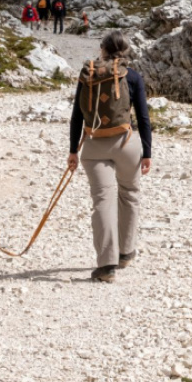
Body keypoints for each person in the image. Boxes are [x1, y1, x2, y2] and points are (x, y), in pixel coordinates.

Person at [67, 31, 153, 283]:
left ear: (103, 49)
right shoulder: (133, 76)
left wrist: (73, 150)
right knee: (129, 194)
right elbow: (144, 118)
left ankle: (106, 267)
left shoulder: (88, 74)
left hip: (94, 145)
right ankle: (126, 252)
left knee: (102, 201)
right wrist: (147, 152)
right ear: (125, 50)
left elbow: (77, 116)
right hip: (126, 143)